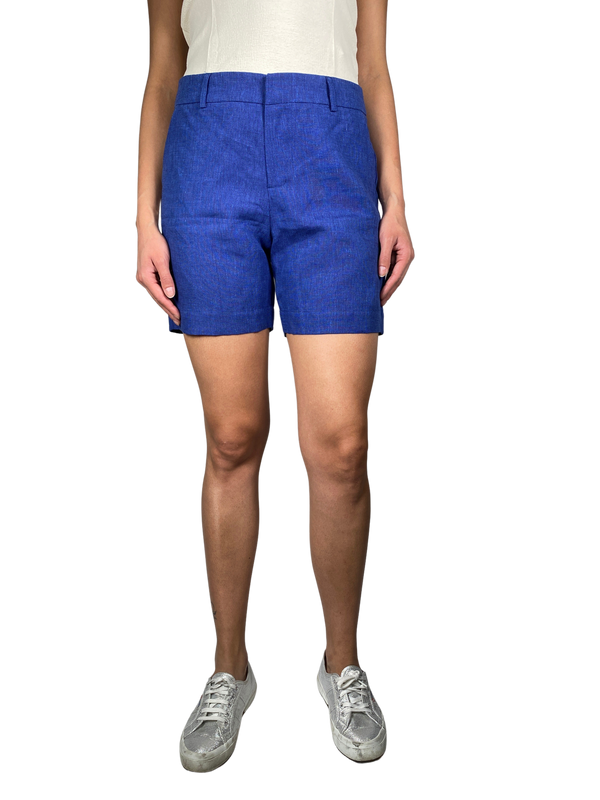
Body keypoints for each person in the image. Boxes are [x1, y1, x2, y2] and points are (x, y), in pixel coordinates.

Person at [134, 0, 416, 773]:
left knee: (342, 447)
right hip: (207, 153)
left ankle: (341, 665)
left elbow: (373, 59)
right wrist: (143, 217)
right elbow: (163, 68)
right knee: (230, 439)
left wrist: (397, 197)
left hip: (332, 149)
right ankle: (230, 670)